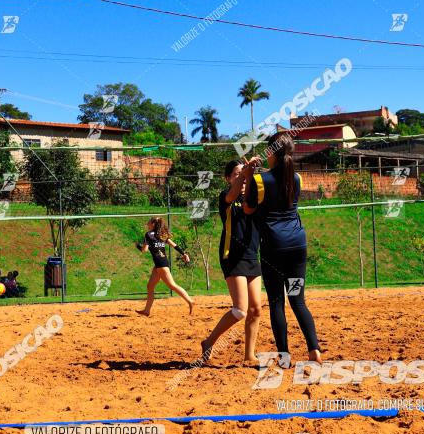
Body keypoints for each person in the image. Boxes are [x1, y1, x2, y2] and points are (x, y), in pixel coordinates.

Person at [244, 134, 321, 363]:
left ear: (271, 153)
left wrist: (250, 176)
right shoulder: (296, 178)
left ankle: (285, 357)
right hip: (298, 245)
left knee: (277, 301)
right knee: (298, 300)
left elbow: (248, 209)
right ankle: (314, 349)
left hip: (274, 248)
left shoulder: (260, 180)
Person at [201, 159, 262, 364]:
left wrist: (252, 172)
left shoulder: (254, 197)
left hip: (252, 255)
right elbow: (232, 194)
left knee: (256, 309)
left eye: (243, 173)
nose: (241, 177)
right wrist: (246, 173)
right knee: (240, 310)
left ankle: (249, 355)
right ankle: (209, 341)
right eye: (236, 174)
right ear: (228, 178)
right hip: (232, 255)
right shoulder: (226, 197)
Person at [136, 216, 193, 317]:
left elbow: (144, 250)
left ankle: (189, 300)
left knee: (172, 285)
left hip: (160, 264)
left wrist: (137, 245)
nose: (147, 223)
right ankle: (147, 311)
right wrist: (184, 253)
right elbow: (174, 245)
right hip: (161, 263)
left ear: (153, 224)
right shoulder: (162, 234)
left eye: (149, 222)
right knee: (150, 286)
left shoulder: (148, 234)